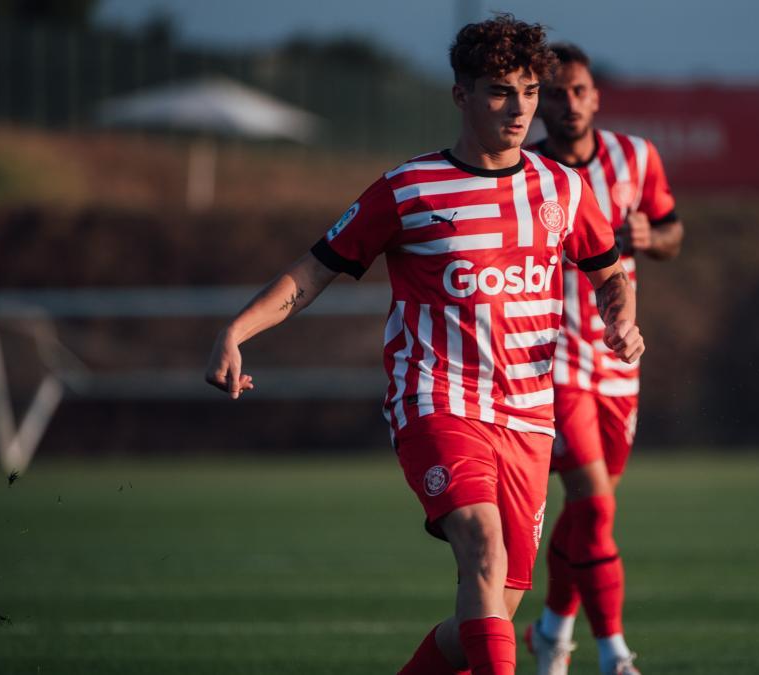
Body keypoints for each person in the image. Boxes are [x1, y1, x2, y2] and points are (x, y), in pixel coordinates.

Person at [204, 16, 644, 675]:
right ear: (460, 94)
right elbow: (314, 270)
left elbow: (610, 272)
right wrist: (235, 330)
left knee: (497, 600)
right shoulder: (409, 189)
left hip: (527, 415)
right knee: (483, 551)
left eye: (529, 90)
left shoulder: (562, 188)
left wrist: (622, 318)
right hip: (437, 399)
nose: (520, 106)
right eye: (500, 90)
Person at [521, 43, 683, 675]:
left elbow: (673, 232)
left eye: (578, 90)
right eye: (554, 93)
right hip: (552, 357)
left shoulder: (636, 158)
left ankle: (552, 630)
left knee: (591, 511)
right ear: (540, 103)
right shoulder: (526, 172)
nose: (569, 103)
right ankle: (615, 654)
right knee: (592, 499)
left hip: (619, 355)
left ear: (596, 95)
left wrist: (652, 237)